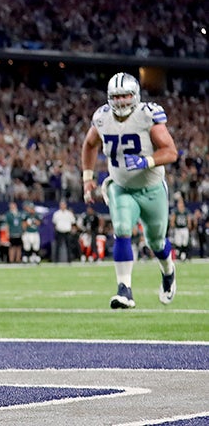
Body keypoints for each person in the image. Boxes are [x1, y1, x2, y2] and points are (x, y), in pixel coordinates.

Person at [81, 72, 178, 309]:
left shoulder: (147, 117)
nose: (122, 100)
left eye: (126, 95)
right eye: (117, 96)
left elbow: (171, 151)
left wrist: (148, 161)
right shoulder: (102, 118)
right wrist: (87, 177)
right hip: (121, 187)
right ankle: (124, 289)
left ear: (135, 96)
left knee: (156, 242)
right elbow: (89, 144)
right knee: (122, 229)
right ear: (109, 97)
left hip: (151, 188)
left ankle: (168, 272)